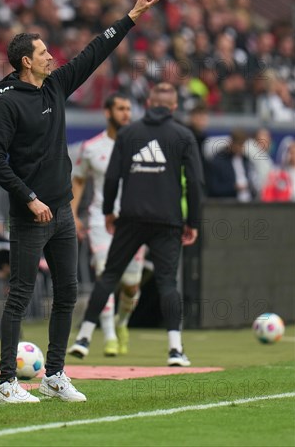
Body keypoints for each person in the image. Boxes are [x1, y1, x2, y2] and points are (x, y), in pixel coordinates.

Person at [0, 0, 160, 404]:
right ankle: (7, 383)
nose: (52, 57)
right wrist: (29, 198)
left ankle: (55, 374)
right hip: (31, 215)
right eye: (43, 53)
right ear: (27, 62)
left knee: (67, 292)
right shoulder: (6, 105)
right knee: (21, 296)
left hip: (62, 210)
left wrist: (131, 16)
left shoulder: (55, 86)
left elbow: (94, 52)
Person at [68, 83, 203, 367]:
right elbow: (195, 183)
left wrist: (108, 212)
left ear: (149, 102)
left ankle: (83, 337)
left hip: (130, 218)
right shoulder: (183, 136)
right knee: (168, 283)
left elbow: (113, 177)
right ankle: (175, 349)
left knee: (108, 277)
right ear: (174, 106)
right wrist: (192, 222)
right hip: (167, 221)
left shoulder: (129, 134)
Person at [68, 93, 144, 358]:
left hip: (133, 220)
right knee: (104, 274)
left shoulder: (140, 146)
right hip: (100, 219)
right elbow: (78, 181)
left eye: (128, 109)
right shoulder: (91, 148)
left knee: (131, 284)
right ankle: (109, 335)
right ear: (107, 112)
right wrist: (73, 213)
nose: (126, 113)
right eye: (121, 108)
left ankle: (122, 323)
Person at [207, 129, 256, 202]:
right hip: (229, 205)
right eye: (239, 144)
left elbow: (252, 183)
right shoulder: (218, 161)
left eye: (243, 145)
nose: (241, 148)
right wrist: (234, 187)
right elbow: (214, 188)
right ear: (231, 143)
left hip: (249, 203)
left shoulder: (246, 160)